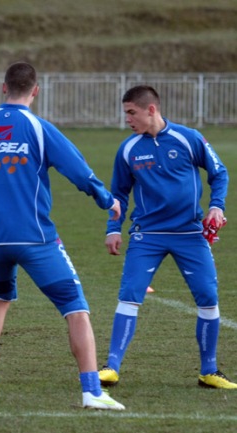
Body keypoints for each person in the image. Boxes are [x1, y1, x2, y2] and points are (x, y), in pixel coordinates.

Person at [0, 62, 125, 410]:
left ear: (3, 88)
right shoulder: (38, 127)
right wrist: (106, 199)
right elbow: (77, 169)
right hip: (34, 238)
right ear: (36, 91)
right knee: (76, 309)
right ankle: (92, 391)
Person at [99, 85, 236, 389]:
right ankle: (111, 367)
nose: (127, 120)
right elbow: (118, 193)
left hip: (190, 233)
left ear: (151, 110)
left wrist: (216, 206)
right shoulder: (128, 149)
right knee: (130, 295)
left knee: (208, 299)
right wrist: (112, 229)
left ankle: (209, 371)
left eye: (131, 113)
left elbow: (219, 173)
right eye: (125, 113)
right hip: (147, 235)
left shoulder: (188, 138)